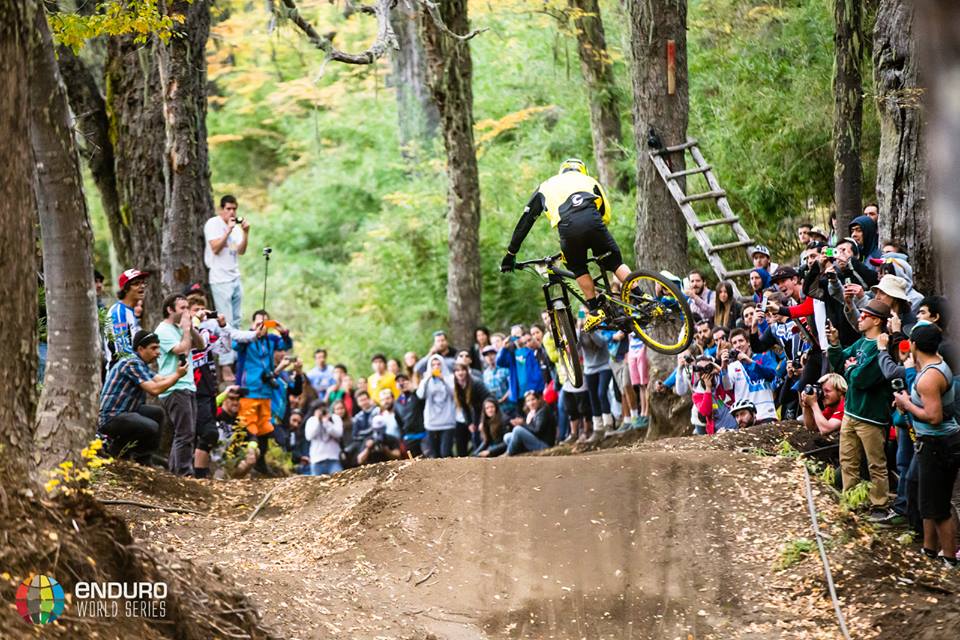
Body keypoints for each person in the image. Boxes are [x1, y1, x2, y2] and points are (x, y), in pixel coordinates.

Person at [500, 158, 632, 331]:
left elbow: (525, 222)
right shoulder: (589, 180)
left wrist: (511, 254)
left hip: (569, 230)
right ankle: (641, 295)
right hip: (594, 223)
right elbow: (605, 213)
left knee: (577, 266)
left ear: (561, 171)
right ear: (582, 170)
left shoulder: (546, 186)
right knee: (615, 263)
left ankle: (594, 310)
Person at [891, 324, 960, 569]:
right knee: (927, 502)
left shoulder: (929, 378)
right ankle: (929, 551)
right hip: (933, 443)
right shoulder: (934, 365)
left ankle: (949, 559)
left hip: (937, 444)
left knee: (938, 506)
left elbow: (934, 416)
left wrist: (906, 404)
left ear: (915, 345)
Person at [827, 299, 894, 522]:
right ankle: (852, 502)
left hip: (871, 417)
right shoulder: (861, 342)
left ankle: (880, 506)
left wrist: (851, 369)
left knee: (876, 463)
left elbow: (862, 379)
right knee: (848, 461)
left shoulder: (882, 347)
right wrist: (835, 344)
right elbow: (839, 364)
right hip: (851, 412)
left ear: (876, 320)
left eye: (864, 315)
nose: (860, 317)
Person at [98, 330, 188, 464]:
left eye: (158, 347)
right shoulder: (131, 363)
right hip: (111, 417)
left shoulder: (140, 364)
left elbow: (160, 380)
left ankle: (144, 459)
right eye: (153, 348)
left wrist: (177, 372)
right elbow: (154, 389)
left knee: (157, 413)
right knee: (150, 426)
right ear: (140, 349)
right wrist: (177, 376)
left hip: (126, 412)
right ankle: (117, 452)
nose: (158, 352)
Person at [233, 309, 293, 472]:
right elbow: (235, 345)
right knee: (247, 424)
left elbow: (286, 345)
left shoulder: (272, 340)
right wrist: (253, 334)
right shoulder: (246, 338)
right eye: (259, 322)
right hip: (249, 389)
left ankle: (260, 463)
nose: (262, 326)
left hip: (266, 390)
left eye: (265, 323)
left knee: (264, 426)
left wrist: (283, 332)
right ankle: (242, 461)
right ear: (253, 324)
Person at [155, 294, 204, 476]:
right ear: (170, 309)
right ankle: (184, 473)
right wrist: (185, 330)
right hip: (174, 386)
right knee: (185, 433)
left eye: (186, 308)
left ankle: (177, 472)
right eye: (182, 308)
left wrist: (190, 328)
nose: (186, 311)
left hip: (188, 385)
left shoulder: (180, 328)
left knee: (187, 433)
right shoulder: (163, 330)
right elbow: (181, 349)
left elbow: (201, 345)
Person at [186, 294, 233, 479]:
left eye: (201, 309)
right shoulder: (180, 332)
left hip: (208, 389)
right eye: (194, 310)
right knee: (207, 433)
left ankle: (201, 475)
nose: (199, 313)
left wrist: (222, 326)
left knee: (207, 434)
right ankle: (198, 475)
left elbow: (225, 348)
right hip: (192, 389)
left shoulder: (205, 332)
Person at [204, 195, 249, 332]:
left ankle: (236, 351)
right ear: (221, 209)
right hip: (220, 278)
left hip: (235, 275)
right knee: (226, 320)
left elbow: (241, 251)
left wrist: (246, 233)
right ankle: (226, 353)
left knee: (237, 319)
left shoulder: (236, 228)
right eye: (228, 208)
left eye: (234, 209)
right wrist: (228, 230)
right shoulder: (213, 224)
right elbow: (215, 248)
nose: (232, 212)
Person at [722, 328, 778, 423]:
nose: (738, 345)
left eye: (741, 341)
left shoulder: (763, 357)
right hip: (746, 417)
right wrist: (723, 367)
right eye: (734, 343)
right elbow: (727, 386)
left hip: (767, 413)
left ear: (748, 342)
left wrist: (750, 362)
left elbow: (772, 375)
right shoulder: (732, 366)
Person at [418, 355, 457, 458]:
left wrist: (443, 379)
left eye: (438, 364)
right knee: (434, 455)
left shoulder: (450, 378)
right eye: (433, 365)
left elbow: (455, 394)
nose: (436, 367)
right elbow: (420, 395)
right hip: (431, 422)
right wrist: (426, 379)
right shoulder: (426, 380)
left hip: (447, 421)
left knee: (445, 453)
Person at [108, 268, 150, 362]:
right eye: (136, 284)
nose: (142, 286)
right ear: (126, 288)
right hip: (120, 372)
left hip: (133, 368)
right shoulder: (118, 312)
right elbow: (122, 350)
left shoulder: (131, 311)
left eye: (143, 283)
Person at [453, 363, 490, 455]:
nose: (460, 373)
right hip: (475, 414)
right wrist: (469, 423)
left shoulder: (476, 383)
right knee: (475, 436)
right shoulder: (458, 386)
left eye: (462, 370)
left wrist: (483, 420)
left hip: (485, 412)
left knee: (481, 437)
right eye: (457, 371)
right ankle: (476, 457)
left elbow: (488, 398)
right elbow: (464, 407)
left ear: (467, 372)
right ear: (454, 373)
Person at [505, 391, 556, 455]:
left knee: (517, 430)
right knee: (507, 437)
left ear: (539, 400)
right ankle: (516, 452)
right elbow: (531, 427)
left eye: (533, 399)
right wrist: (521, 422)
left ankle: (508, 454)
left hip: (544, 445)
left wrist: (522, 423)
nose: (531, 403)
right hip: (535, 441)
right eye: (528, 401)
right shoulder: (532, 412)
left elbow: (537, 430)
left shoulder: (543, 411)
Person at [304, 401, 344, 476]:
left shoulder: (335, 418)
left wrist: (326, 423)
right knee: (317, 486)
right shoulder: (311, 420)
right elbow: (309, 436)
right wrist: (318, 421)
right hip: (317, 460)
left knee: (339, 482)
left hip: (333, 458)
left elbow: (339, 434)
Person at [395, 373, 426, 456]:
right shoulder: (397, 403)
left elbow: (423, 403)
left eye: (404, 380)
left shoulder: (416, 395)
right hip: (409, 437)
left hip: (423, 435)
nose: (402, 383)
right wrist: (402, 438)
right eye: (399, 381)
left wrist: (413, 390)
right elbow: (399, 422)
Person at [481, 345, 513, 418]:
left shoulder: (505, 369)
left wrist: (503, 399)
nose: (489, 357)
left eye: (492, 354)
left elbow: (512, 386)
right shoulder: (485, 373)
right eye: (486, 355)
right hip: (495, 410)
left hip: (510, 407)